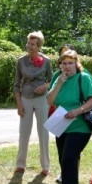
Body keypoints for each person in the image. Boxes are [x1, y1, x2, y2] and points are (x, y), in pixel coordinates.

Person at [46, 50, 92, 184]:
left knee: (69, 158)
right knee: (64, 160)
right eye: (64, 63)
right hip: (61, 125)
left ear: (76, 63)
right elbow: (49, 100)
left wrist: (78, 111)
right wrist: (60, 83)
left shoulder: (84, 78)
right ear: (60, 65)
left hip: (80, 126)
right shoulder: (57, 77)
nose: (67, 66)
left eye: (70, 63)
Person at [13, 31, 53, 175]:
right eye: (28, 43)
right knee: (24, 132)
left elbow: (52, 80)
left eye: (33, 44)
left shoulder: (47, 61)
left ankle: (45, 166)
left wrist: (45, 86)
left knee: (43, 132)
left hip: (42, 98)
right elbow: (16, 85)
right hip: (25, 98)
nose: (29, 46)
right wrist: (19, 104)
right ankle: (20, 164)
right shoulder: (21, 61)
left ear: (39, 46)